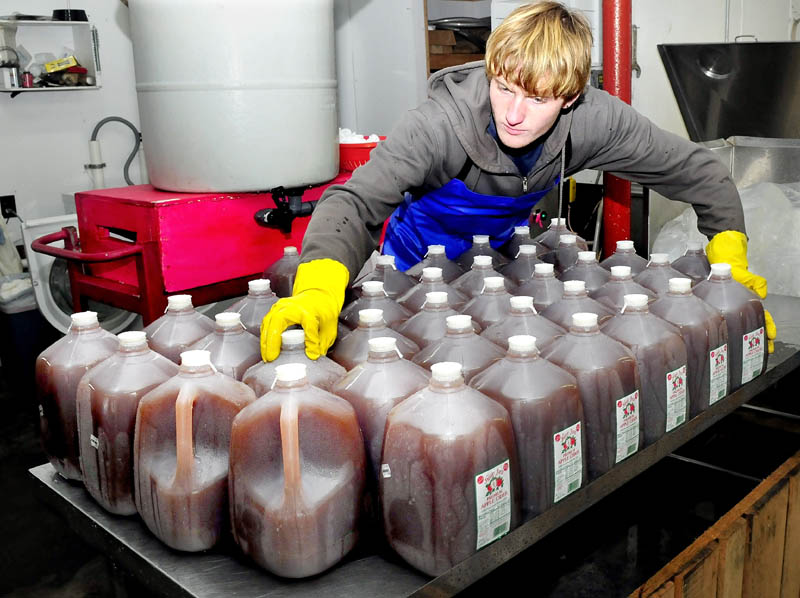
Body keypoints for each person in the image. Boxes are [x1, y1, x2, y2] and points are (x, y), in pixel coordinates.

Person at [260, 1, 776, 361]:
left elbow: (699, 173)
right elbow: (351, 203)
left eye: (537, 99)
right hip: (410, 271)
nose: (513, 114)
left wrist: (730, 264)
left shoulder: (596, 122)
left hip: (495, 266)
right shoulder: (438, 126)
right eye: (504, 88)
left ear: (570, 98)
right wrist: (318, 288)